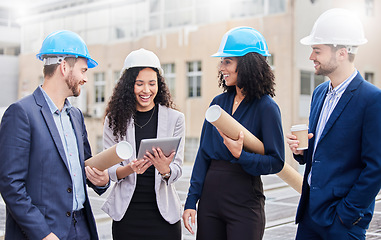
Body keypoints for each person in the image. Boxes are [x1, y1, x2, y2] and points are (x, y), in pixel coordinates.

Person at [0, 30, 110, 240]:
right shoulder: (21, 113)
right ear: (64, 67)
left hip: (82, 228)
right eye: (83, 71)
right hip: (44, 232)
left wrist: (101, 180)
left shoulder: (76, 116)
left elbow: (85, 166)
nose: (86, 79)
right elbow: (10, 184)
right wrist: (43, 234)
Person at [286, 8, 381, 240]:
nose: (311, 57)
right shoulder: (319, 94)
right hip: (309, 217)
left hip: (341, 223)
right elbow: (322, 152)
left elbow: (376, 168)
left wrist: (346, 215)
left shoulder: (372, 99)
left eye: (317, 50)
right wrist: (301, 153)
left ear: (342, 53)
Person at [183, 26, 285, 240]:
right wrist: (192, 200)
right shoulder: (218, 104)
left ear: (248, 64)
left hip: (244, 203)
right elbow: (202, 155)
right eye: (222, 61)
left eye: (227, 61)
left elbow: (276, 161)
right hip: (210, 202)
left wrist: (242, 155)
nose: (221, 67)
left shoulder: (266, 108)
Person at [101, 48, 185, 240]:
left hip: (164, 217)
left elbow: (177, 169)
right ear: (129, 86)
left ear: (159, 85)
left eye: (151, 83)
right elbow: (110, 171)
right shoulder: (114, 120)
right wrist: (130, 168)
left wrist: (165, 169)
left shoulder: (176, 119)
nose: (146, 90)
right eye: (139, 84)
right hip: (128, 216)